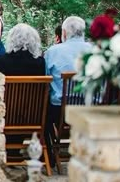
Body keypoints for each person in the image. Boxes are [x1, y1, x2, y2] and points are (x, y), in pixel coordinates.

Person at [44, 16, 92, 150]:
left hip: (61, 112)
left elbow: (45, 83)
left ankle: (50, 152)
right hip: (91, 110)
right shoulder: (97, 52)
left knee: (42, 113)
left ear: (63, 33)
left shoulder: (52, 52)